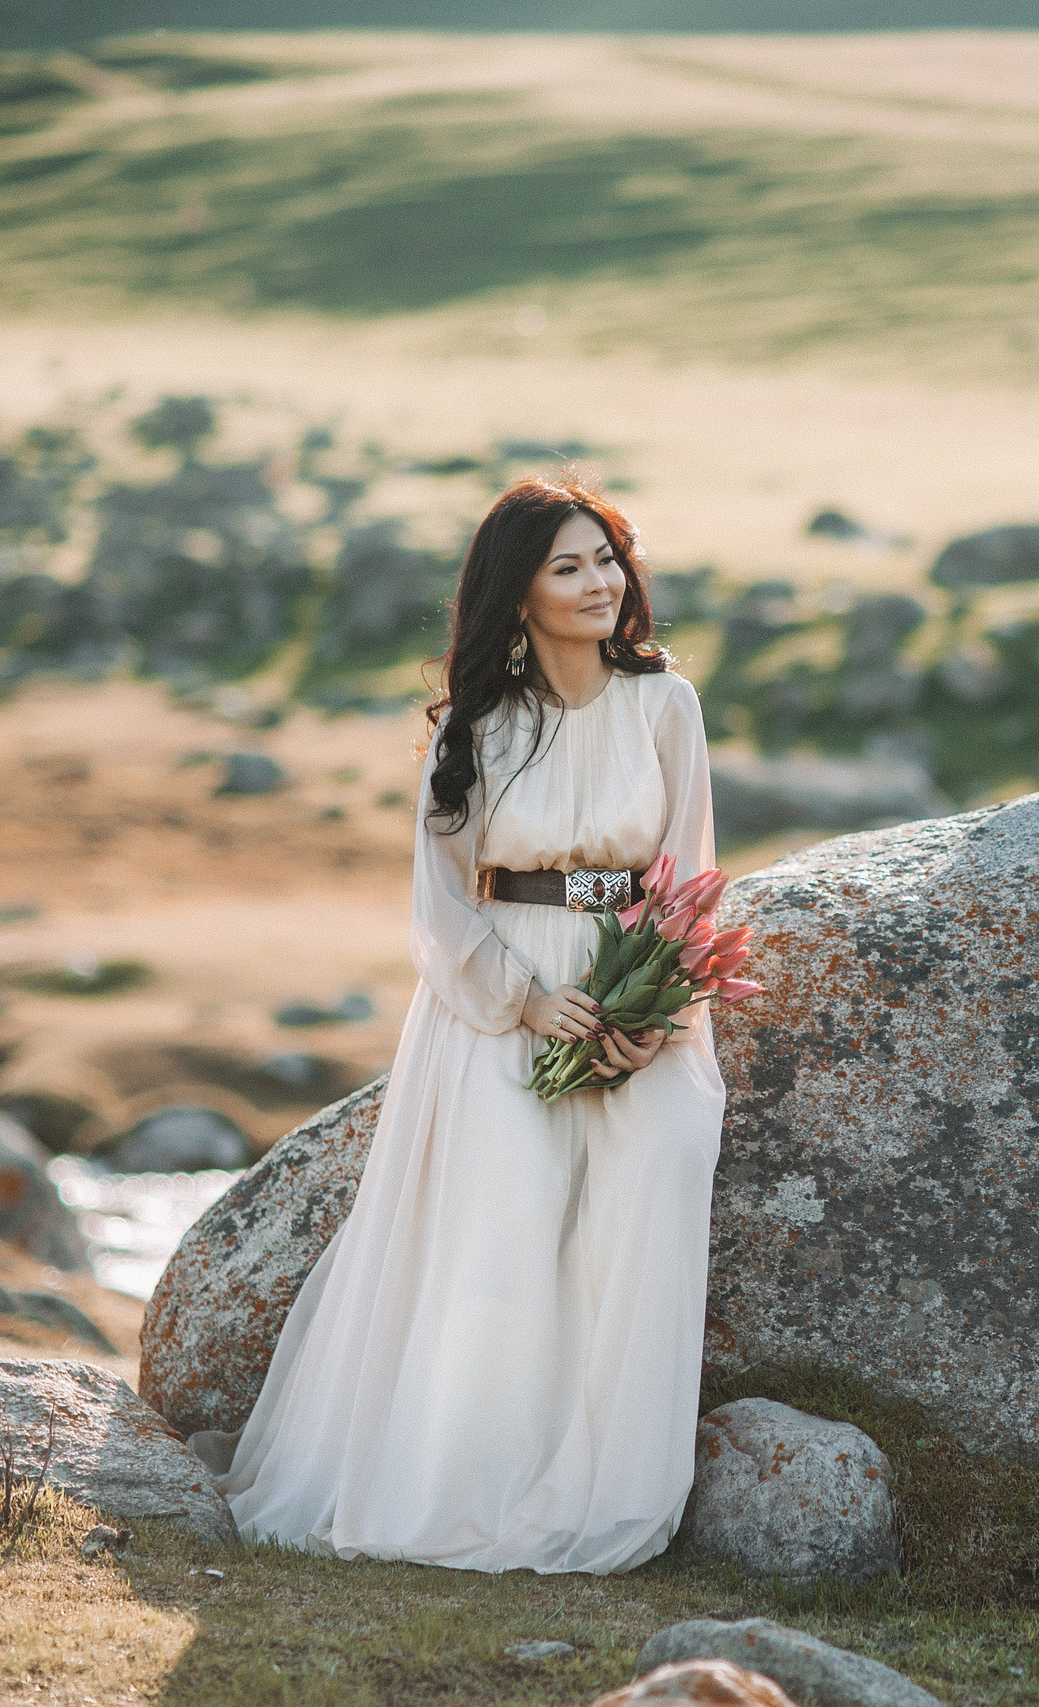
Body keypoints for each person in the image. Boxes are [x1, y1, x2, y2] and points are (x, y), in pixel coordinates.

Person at [218, 475, 727, 1574]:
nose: (600, 583)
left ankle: (607, 1489)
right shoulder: (477, 723)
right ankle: (464, 1482)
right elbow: (439, 905)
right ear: (519, 592)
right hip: (501, 1000)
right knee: (504, 1228)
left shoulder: (664, 702)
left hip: (631, 987)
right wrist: (527, 1002)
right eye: (568, 566)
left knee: (655, 1183)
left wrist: (656, 1008)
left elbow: (690, 873)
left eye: (608, 559)